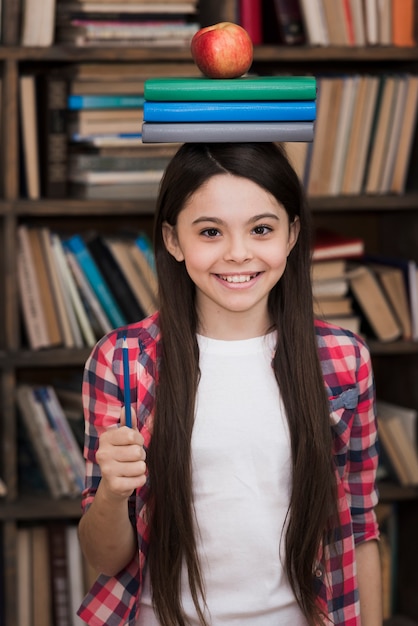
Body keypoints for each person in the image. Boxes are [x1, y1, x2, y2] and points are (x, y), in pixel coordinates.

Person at [77, 142, 382, 626]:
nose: (238, 253)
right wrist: (113, 493)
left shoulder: (344, 361)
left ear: (292, 235)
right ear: (174, 241)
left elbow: (361, 527)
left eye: (261, 229)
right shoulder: (121, 361)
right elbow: (104, 558)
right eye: (210, 231)